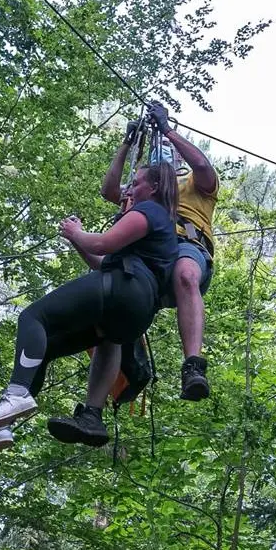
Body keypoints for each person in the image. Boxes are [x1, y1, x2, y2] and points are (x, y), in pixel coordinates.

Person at [0, 163, 179, 455]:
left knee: (33, 318)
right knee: (43, 349)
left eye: (135, 183)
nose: (129, 189)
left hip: (124, 288)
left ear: (152, 187)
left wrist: (78, 232)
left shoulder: (151, 210)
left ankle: (15, 395)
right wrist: (77, 241)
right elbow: (102, 262)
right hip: (134, 311)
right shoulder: (159, 231)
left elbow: (103, 243)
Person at [101, 101, 219, 401]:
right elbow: (110, 192)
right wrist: (127, 144)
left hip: (185, 246)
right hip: (147, 255)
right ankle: (98, 403)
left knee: (186, 272)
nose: (162, 147)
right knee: (109, 300)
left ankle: (193, 366)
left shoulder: (194, 182)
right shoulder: (144, 188)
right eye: (160, 145)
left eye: (168, 146)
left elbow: (203, 166)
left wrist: (167, 129)